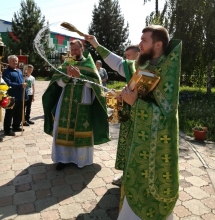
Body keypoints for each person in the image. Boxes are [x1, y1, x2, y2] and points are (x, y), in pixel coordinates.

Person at [85, 25, 182, 220]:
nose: (140, 44)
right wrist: (125, 96)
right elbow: (120, 64)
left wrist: (134, 102)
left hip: (156, 148)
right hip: (138, 140)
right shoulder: (144, 65)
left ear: (158, 44)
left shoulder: (167, 70)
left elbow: (166, 117)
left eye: (144, 41)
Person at [42, 40, 110, 170]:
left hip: (83, 102)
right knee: (63, 128)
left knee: (81, 129)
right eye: (72, 50)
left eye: (76, 49)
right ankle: (63, 159)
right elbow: (59, 84)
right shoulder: (67, 63)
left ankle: (80, 160)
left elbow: (96, 85)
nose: (74, 52)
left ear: (82, 48)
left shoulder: (89, 63)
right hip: (65, 103)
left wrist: (81, 76)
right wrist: (67, 77)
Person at [112, 44, 140, 186]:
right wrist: (121, 96)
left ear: (137, 55)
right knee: (125, 145)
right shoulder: (132, 70)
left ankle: (133, 179)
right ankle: (125, 176)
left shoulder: (144, 72)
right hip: (128, 115)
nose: (126, 59)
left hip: (140, 117)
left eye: (128, 55)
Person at [2, 55, 27, 136]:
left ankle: (16, 126)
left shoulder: (19, 71)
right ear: (9, 62)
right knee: (9, 114)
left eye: (16, 61)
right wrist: (20, 85)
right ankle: (7, 130)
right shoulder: (6, 72)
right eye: (13, 61)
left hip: (20, 96)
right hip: (11, 97)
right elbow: (8, 83)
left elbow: (22, 81)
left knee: (18, 113)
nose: (15, 62)